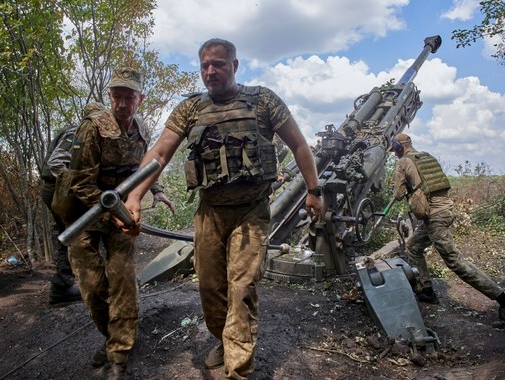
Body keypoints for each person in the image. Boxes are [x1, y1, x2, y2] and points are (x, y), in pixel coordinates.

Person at [121, 38, 324, 379]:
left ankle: (238, 368)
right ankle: (225, 339)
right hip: (210, 212)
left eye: (218, 64)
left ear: (235, 65)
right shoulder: (190, 109)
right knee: (210, 288)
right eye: (204, 66)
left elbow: (300, 144)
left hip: (251, 210)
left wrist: (314, 191)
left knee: (241, 287)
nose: (210, 71)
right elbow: (160, 153)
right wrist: (134, 195)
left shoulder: (263, 100)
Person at [61, 68, 175, 379]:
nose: (122, 103)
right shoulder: (92, 128)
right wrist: (109, 209)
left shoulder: (140, 131)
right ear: (109, 96)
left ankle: (120, 352)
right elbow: (81, 183)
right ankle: (112, 337)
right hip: (84, 215)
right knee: (94, 286)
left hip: (121, 215)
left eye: (129, 97)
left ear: (140, 98)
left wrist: (158, 191)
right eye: (117, 96)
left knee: (123, 282)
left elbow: (144, 169)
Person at [391, 133, 505, 329]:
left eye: (394, 150)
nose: (394, 154)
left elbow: (398, 193)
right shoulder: (427, 157)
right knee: (413, 246)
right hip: (443, 210)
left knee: (455, 262)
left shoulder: (403, 162)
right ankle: (426, 289)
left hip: (435, 215)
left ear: (398, 148)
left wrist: (406, 186)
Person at [41, 124, 82, 305]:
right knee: (72, 234)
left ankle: (63, 285)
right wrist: (78, 187)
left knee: (67, 234)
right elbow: (56, 163)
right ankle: (62, 286)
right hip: (57, 189)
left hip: (56, 188)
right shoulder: (77, 132)